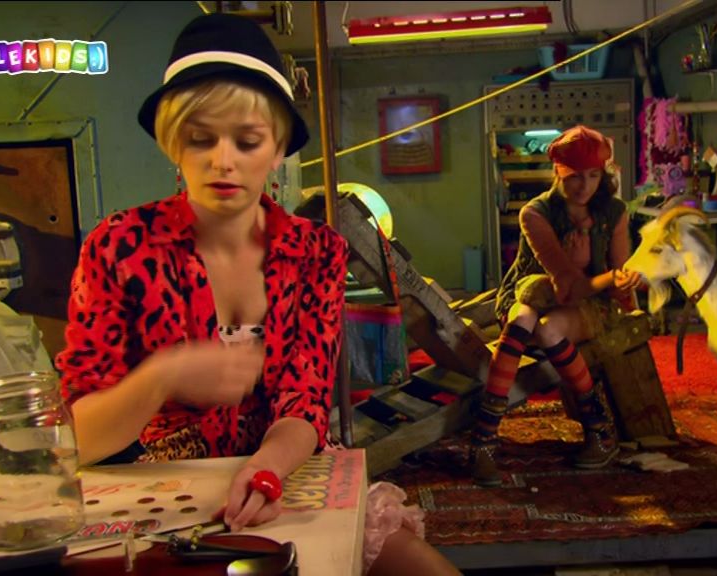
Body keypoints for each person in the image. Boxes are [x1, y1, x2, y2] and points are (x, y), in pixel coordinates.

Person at [56, 13, 459, 576]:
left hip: (288, 473)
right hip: (164, 501)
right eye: (201, 139)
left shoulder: (316, 251)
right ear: (174, 144)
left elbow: (305, 401)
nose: (223, 160)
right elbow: (77, 439)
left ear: (276, 150)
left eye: (247, 141)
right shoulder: (120, 247)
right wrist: (163, 376)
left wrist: (267, 468)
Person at [469, 125, 641, 487]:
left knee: (548, 330)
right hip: (536, 293)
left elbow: (615, 278)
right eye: (575, 175)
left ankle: (599, 430)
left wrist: (625, 280)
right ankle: (483, 441)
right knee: (523, 317)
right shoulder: (535, 213)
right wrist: (608, 277)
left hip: (589, 305)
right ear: (558, 171)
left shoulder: (614, 211)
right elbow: (565, 282)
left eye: (593, 175)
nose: (584, 186)